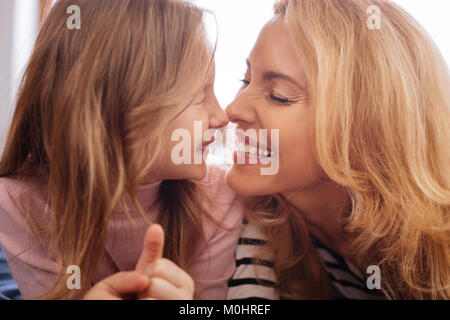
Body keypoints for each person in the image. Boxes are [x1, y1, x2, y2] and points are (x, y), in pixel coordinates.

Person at [0, 0, 243, 300]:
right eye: (198, 94)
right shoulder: (17, 203)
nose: (221, 117)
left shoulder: (220, 198)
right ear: (116, 104)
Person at [225, 0, 450, 300]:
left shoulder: (435, 250)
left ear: (365, 126)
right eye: (245, 79)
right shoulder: (258, 217)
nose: (233, 108)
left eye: (279, 96)